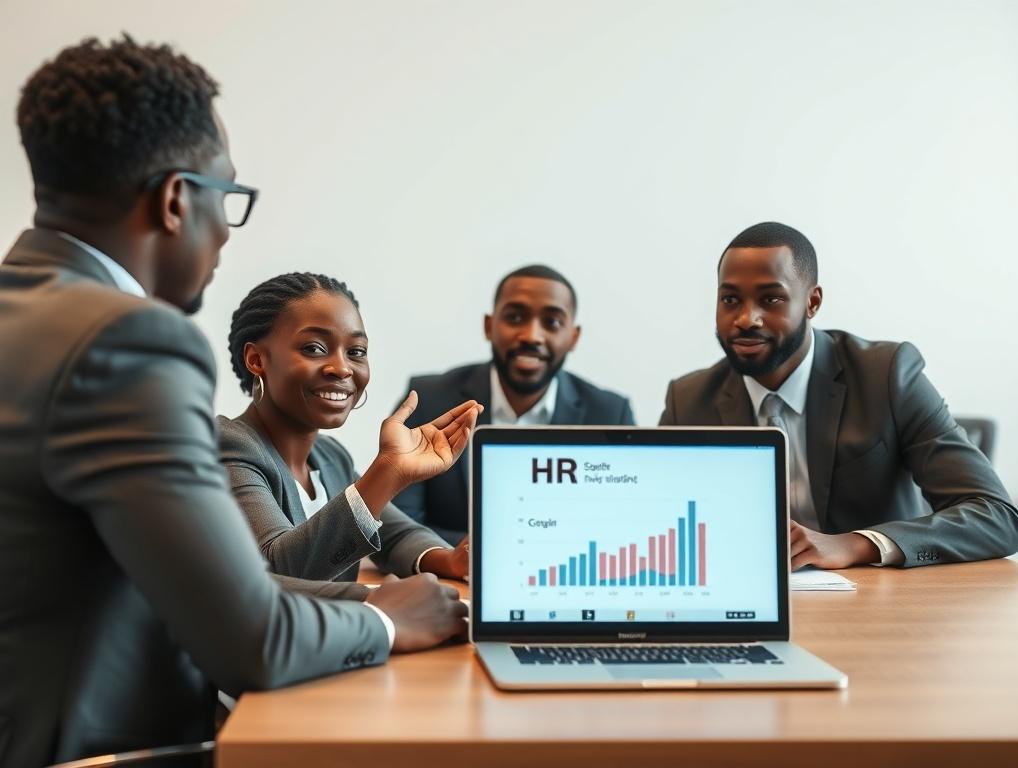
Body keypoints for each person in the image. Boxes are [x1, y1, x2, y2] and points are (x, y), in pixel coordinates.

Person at [0, 37, 472, 767]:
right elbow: (249, 630)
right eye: (230, 198)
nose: (225, 229)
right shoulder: (126, 344)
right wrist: (382, 618)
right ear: (176, 199)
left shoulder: (25, 313)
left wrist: (433, 562)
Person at [659, 221, 1018, 569]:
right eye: (730, 299)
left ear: (812, 303)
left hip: (881, 607)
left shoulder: (887, 376)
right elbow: (655, 523)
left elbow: (996, 516)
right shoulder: (688, 399)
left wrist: (854, 544)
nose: (746, 318)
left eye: (770, 299)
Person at [220, 272, 473, 588]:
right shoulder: (228, 447)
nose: (341, 368)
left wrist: (449, 559)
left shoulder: (330, 456)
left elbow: (394, 535)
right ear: (257, 359)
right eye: (313, 348)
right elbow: (279, 572)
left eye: (356, 352)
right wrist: (388, 471)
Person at [393, 264, 635, 543]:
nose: (532, 335)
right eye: (516, 317)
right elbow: (398, 526)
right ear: (488, 326)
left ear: (573, 337)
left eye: (552, 322)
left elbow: (623, 526)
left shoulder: (610, 413)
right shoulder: (428, 399)